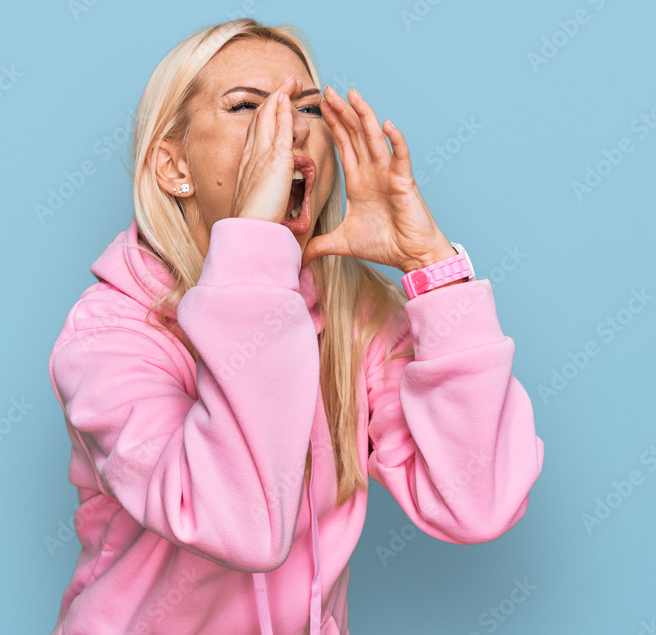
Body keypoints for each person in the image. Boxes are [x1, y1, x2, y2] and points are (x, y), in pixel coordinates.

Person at [47, 17, 544, 635]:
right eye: (246, 106)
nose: (290, 127)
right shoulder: (111, 335)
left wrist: (432, 267)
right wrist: (254, 248)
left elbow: (479, 502)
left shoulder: (353, 316)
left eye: (306, 107)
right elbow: (241, 526)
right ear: (174, 167)